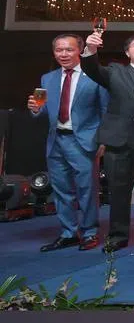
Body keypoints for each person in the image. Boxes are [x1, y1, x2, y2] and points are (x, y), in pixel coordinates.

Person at [29, 33, 109, 252]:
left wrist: (103, 141)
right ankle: (68, 233)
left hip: (83, 141)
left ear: (80, 51)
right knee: (61, 189)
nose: (63, 54)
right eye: (59, 50)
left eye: (69, 49)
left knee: (87, 189)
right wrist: (36, 109)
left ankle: (90, 232)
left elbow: (105, 111)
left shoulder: (95, 77)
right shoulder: (47, 78)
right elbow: (41, 108)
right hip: (56, 140)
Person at [80, 31, 134, 252]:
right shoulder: (115, 71)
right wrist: (91, 50)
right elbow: (92, 69)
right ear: (127, 52)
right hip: (118, 140)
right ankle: (118, 234)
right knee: (118, 190)